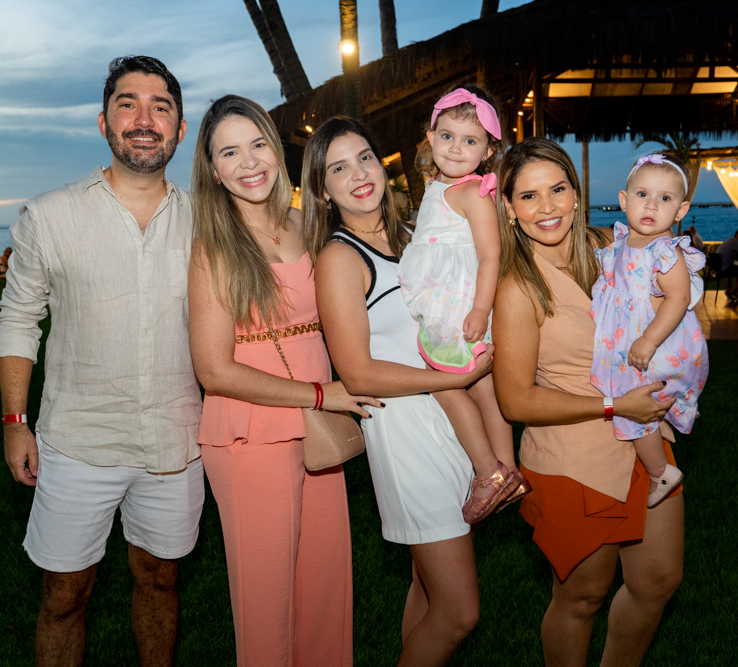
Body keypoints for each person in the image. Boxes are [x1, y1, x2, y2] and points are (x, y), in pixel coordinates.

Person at [0, 56, 202, 667]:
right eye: (127, 104)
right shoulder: (50, 215)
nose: (144, 119)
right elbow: (18, 319)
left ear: (180, 128)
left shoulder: (208, 221)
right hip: (77, 442)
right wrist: (15, 423)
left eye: (160, 107)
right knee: (64, 594)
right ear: (103, 122)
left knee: (160, 578)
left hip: (177, 442)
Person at [187, 97, 378, 667]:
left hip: (320, 428)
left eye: (258, 145)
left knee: (326, 592)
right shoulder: (214, 248)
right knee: (266, 605)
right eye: (229, 152)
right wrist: (321, 394)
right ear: (213, 170)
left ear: (276, 149)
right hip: (252, 434)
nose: (249, 162)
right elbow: (213, 368)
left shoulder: (306, 224)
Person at [307, 116, 493, 667]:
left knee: (427, 587)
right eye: (338, 168)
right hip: (407, 432)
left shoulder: (416, 235)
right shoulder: (339, 259)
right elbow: (358, 374)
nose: (359, 174)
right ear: (323, 188)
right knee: (459, 612)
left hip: (451, 423)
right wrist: (454, 379)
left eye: (365, 157)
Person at [492, 138, 683, 665]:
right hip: (576, 458)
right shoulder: (517, 288)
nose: (547, 207)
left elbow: (673, 283)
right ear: (509, 207)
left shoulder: (614, 248)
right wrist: (614, 407)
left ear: (577, 194)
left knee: (659, 580)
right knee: (582, 597)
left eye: (557, 189)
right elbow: (515, 400)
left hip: (646, 440)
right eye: (528, 196)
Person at [397, 85, 520, 523]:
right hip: (448, 301)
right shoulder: (436, 186)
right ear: (431, 137)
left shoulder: (473, 192)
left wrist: (480, 310)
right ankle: (509, 469)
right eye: (447, 136)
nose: (455, 148)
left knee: (443, 385)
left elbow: (490, 255)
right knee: (483, 388)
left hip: (460, 309)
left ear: (488, 151)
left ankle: (487, 472)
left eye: (470, 141)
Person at [590, 154, 708, 506]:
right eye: (642, 194)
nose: (651, 205)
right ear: (624, 200)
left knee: (631, 405)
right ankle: (667, 422)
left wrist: (648, 340)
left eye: (665, 198)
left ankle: (661, 472)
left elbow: (678, 298)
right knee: (638, 398)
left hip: (652, 344)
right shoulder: (623, 240)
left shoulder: (666, 252)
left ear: (681, 210)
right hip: (628, 338)